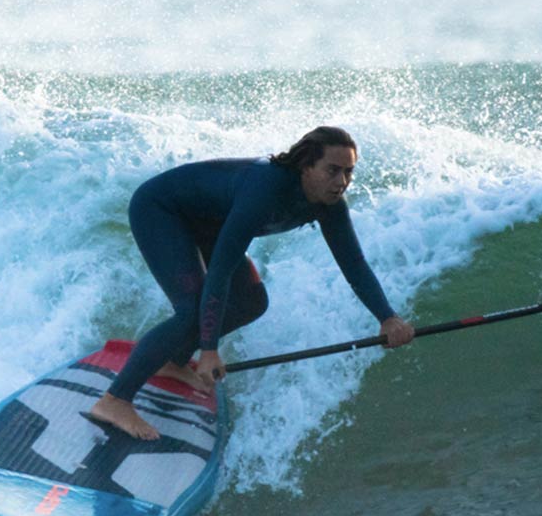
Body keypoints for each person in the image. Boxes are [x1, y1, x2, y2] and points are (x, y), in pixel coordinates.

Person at [89, 126, 416, 440]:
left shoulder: (329, 206)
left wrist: (387, 317)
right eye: (333, 170)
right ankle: (115, 400)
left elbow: (354, 264)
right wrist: (209, 350)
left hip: (208, 223)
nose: (342, 181)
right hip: (162, 211)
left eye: (349, 172)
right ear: (306, 165)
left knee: (251, 302)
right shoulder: (266, 188)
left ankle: (170, 362)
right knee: (190, 311)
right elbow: (219, 272)